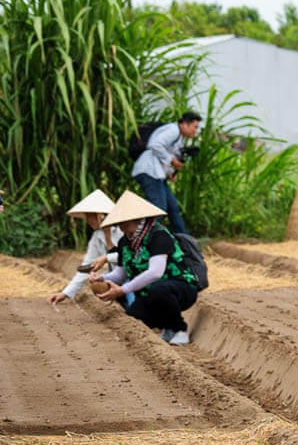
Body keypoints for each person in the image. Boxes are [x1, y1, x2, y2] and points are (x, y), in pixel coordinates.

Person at [90, 191, 202, 344]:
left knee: (159, 291)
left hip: (180, 287)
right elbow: (120, 274)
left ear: (138, 220)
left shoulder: (158, 235)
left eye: (125, 224)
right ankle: (167, 325)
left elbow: (156, 272)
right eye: (120, 225)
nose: (122, 229)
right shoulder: (125, 242)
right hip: (150, 292)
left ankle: (179, 329)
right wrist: (102, 277)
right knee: (134, 315)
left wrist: (123, 290)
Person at [131, 112, 201, 236]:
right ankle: (141, 239)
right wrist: (172, 160)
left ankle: (184, 240)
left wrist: (170, 172)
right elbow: (155, 145)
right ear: (185, 124)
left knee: (172, 207)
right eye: (195, 127)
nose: (196, 131)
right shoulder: (173, 130)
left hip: (156, 174)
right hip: (149, 171)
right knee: (158, 207)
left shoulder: (179, 137)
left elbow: (163, 154)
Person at [48, 189, 123, 305]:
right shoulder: (97, 236)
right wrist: (65, 293)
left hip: (131, 276)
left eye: (89, 216)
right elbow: (87, 266)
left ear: (100, 215)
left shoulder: (121, 232)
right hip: (116, 276)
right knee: (96, 281)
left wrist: (106, 257)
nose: (87, 220)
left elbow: (128, 257)